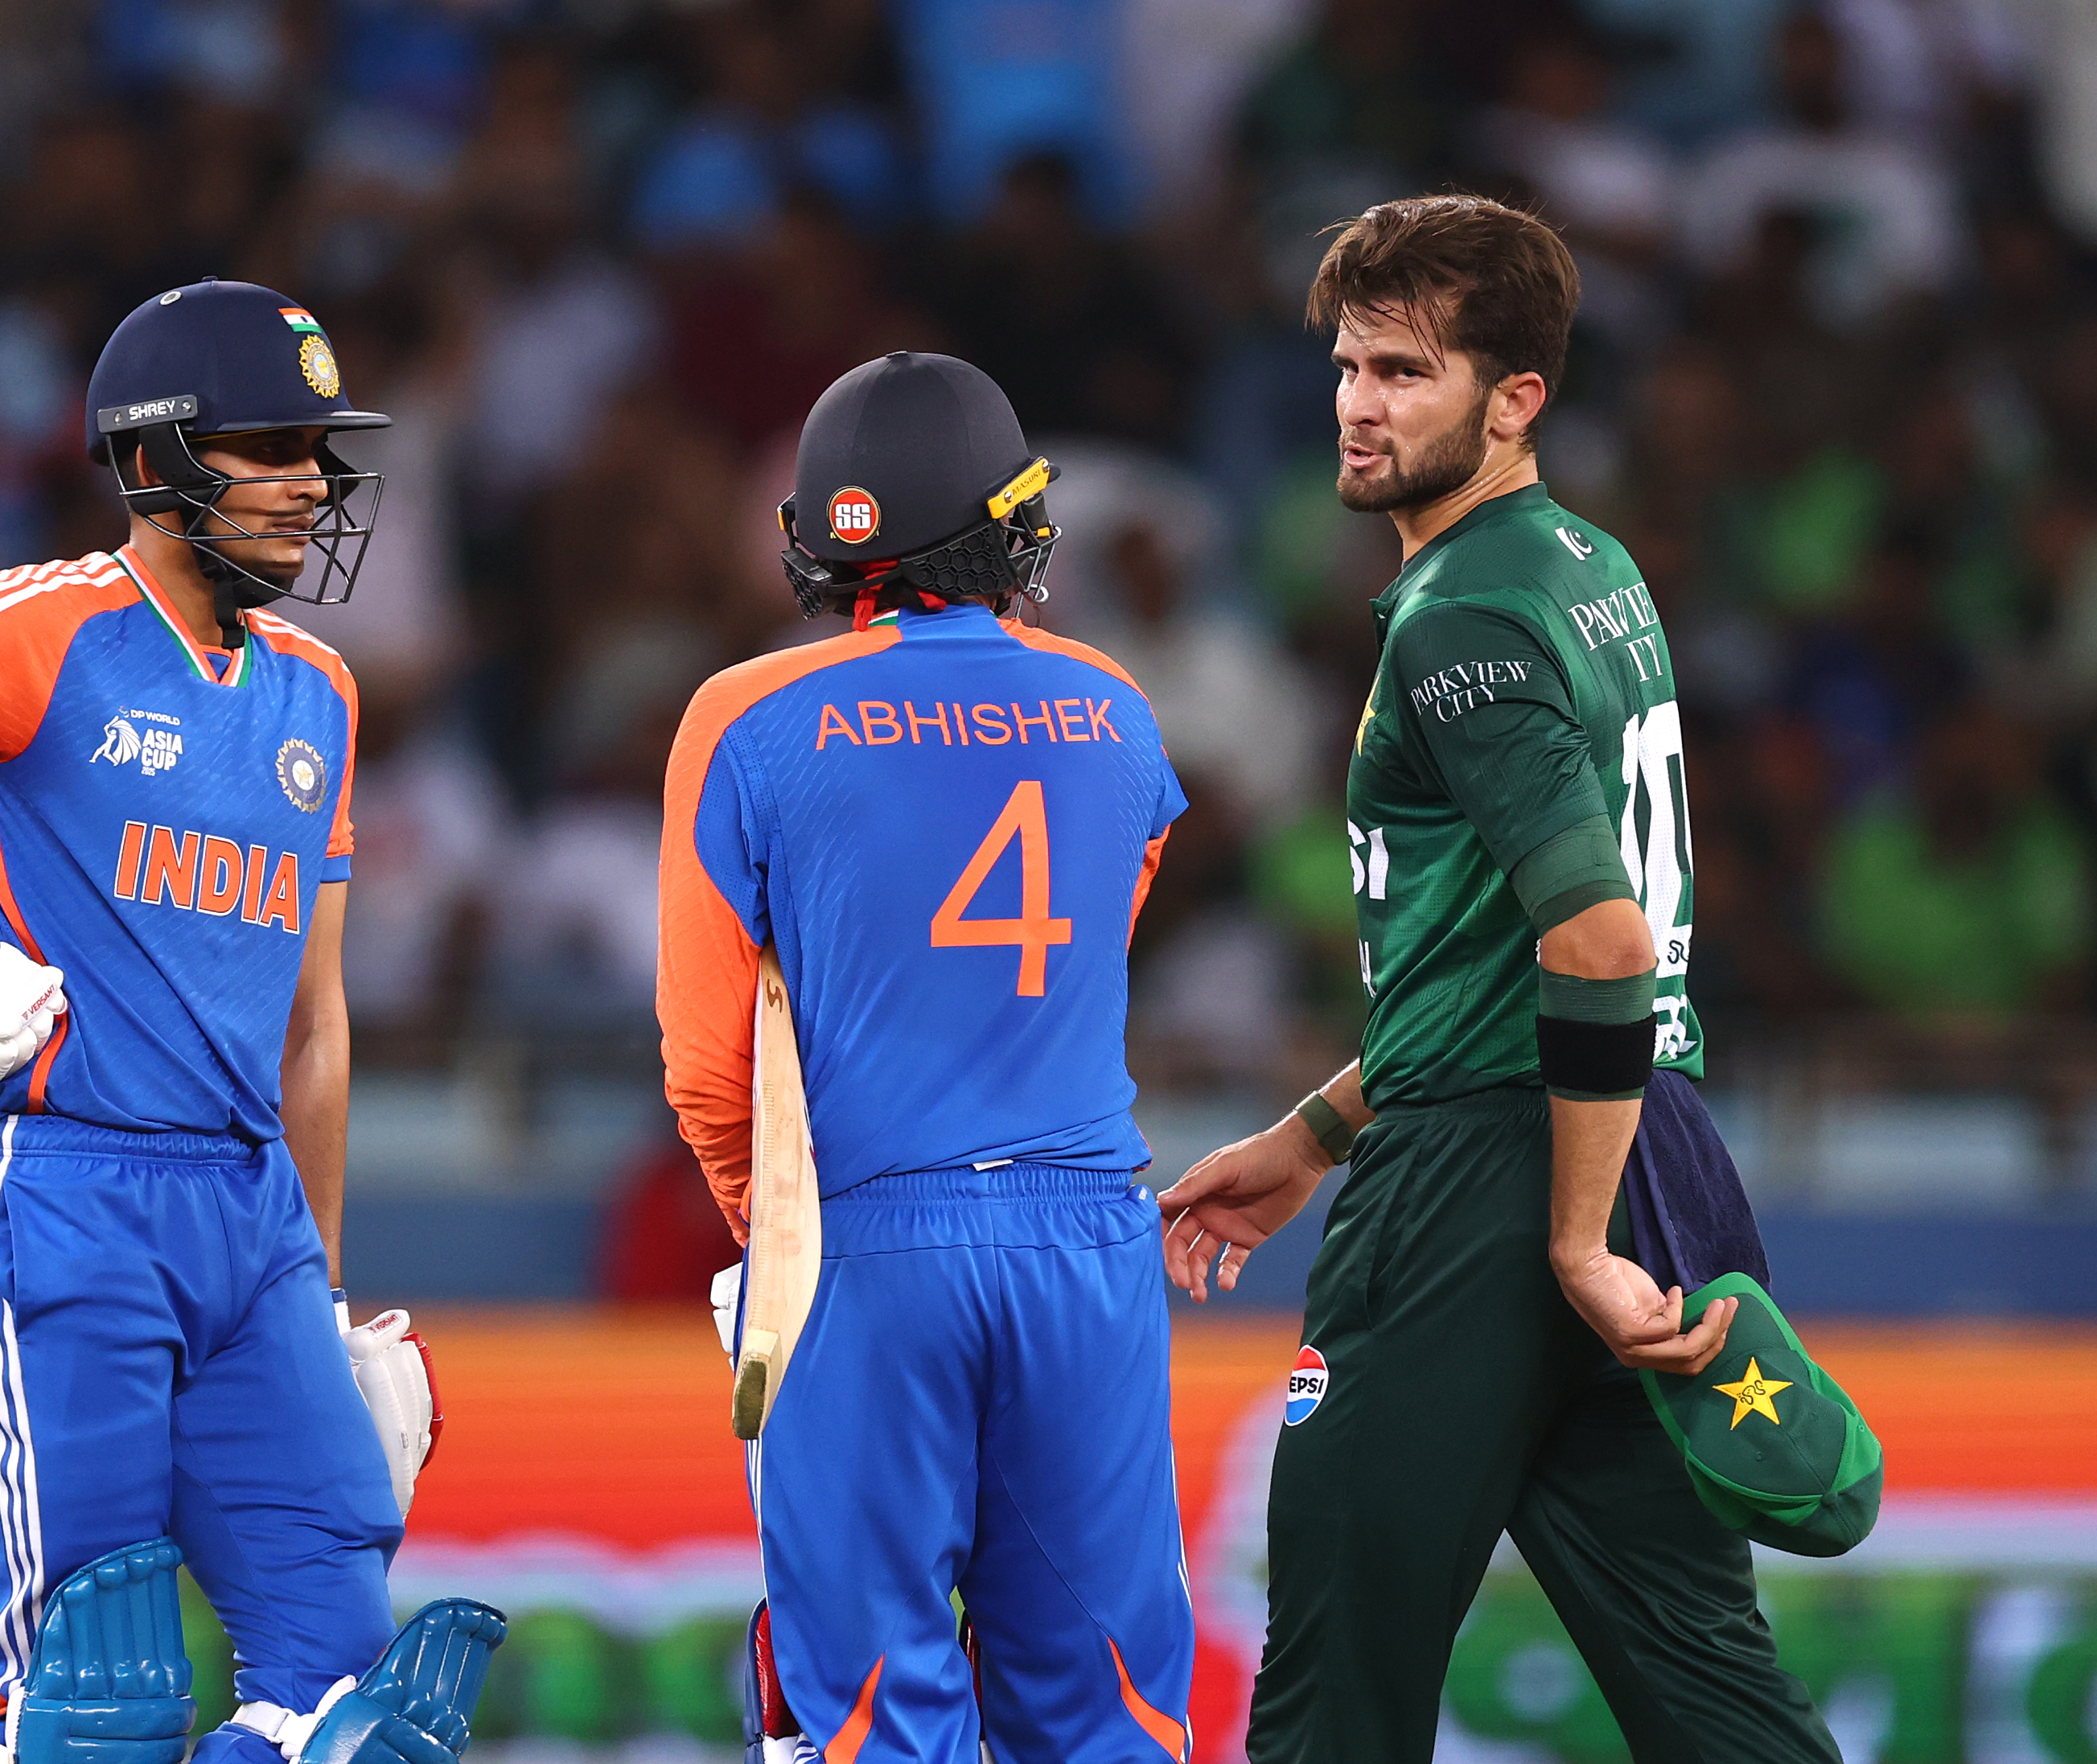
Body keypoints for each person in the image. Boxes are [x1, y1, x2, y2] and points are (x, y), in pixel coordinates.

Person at [0, 280, 494, 1764]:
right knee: (88, 1710)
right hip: (63, 1195)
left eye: (320, 446)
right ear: (154, 461)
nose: (315, 481)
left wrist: (315, 1296)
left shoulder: (318, 688)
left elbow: (312, 1032)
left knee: (361, 1712)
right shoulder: (42, 626)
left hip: (256, 1224)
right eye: (272, 443)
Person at [1156, 197, 1844, 1763]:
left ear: (1512, 395)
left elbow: (1591, 935)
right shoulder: (1585, 565)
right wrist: (1314, 1131)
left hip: (1495, 1190)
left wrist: (1566, 1237)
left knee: (1335, 1685)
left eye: (1403, 369)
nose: (1355, 401)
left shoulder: (1456, 611)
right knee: (1709, 1687)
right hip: (1645, 1138)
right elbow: (1499, 960)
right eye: (1345, 364)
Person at [660, 351, 1193, 1761]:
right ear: (1007, 528)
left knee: (875, 1719)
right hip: (1087, 1237)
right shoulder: (1117, 709)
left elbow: (709, 1070)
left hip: (859, 1244)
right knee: (1108, 1714)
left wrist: (775, 1246)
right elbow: (1096, 948)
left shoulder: (738, 718)